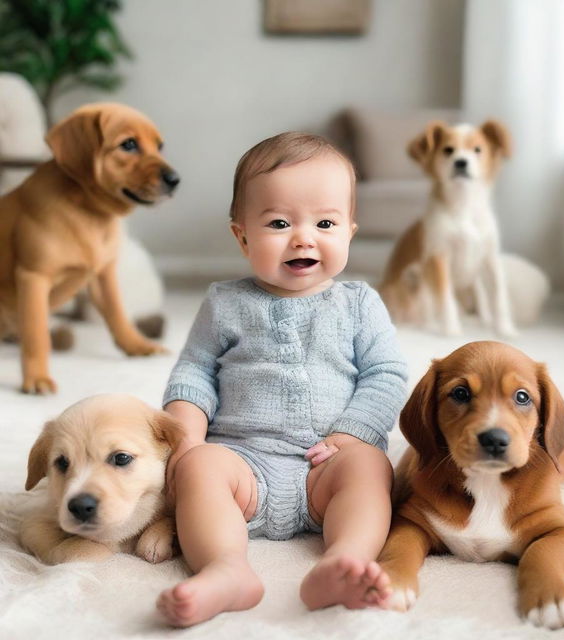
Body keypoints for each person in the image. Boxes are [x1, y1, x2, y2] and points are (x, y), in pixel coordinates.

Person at [156, 132, 408, 627]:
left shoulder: (358, 304)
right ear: (242, 235)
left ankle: (344, 560)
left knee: (373, 467)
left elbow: (387, 374)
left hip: (327, 464)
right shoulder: (224, 302)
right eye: (278, 222)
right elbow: (194, 371)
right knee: (199, 469)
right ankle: (227, 569)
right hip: (243, 465)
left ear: (350, 232)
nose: (303, 237)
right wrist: (186, 438)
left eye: (325, 222)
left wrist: (350, 433)